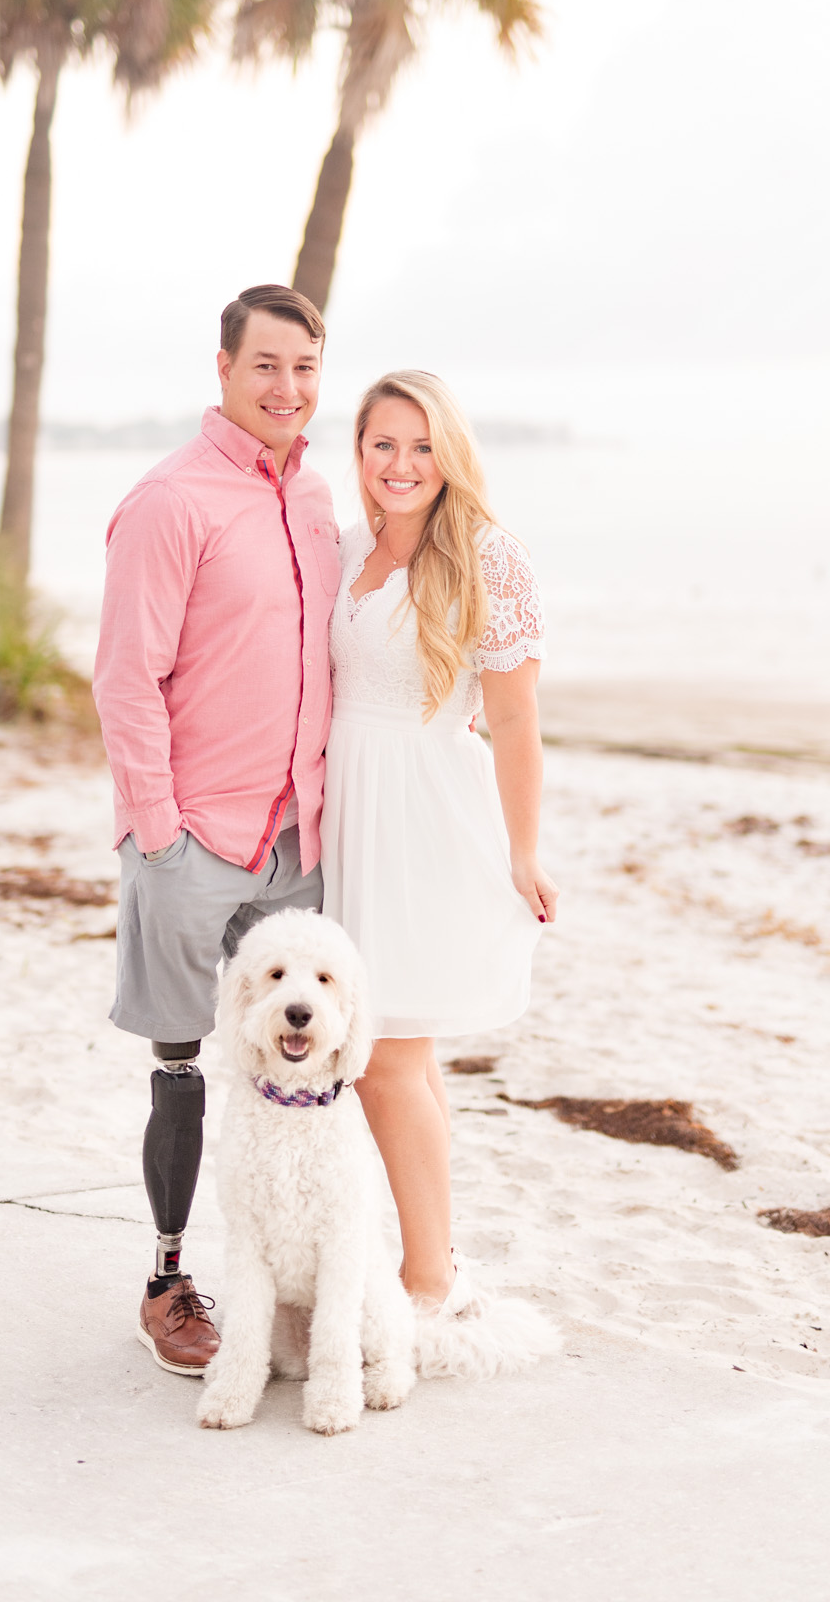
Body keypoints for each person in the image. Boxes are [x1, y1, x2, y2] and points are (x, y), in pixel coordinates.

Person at [93, 284, 340, 1377]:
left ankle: (281, 1280)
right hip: (193, 836)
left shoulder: (316, 498)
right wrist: (157, 834)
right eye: (266, 366)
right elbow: (124, 676)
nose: (286, 388)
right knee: (183, 1063)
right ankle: (167, 1277)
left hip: (297, 840)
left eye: (304, 367)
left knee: (292, 1073)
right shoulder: (168, 501)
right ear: (224, 369)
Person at [319, 369, 559, 1334]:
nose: (401, 465)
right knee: (395, 1056)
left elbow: (514, 717)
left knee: (383, 1055)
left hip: (422, 817)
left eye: (421, 447)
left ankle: (426, 1280)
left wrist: (525, 850)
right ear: (361, 451)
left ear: (448, 453)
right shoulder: (344, 549)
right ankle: (434, 1257)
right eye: (384, 445)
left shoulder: (487, 558)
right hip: (345, 811)